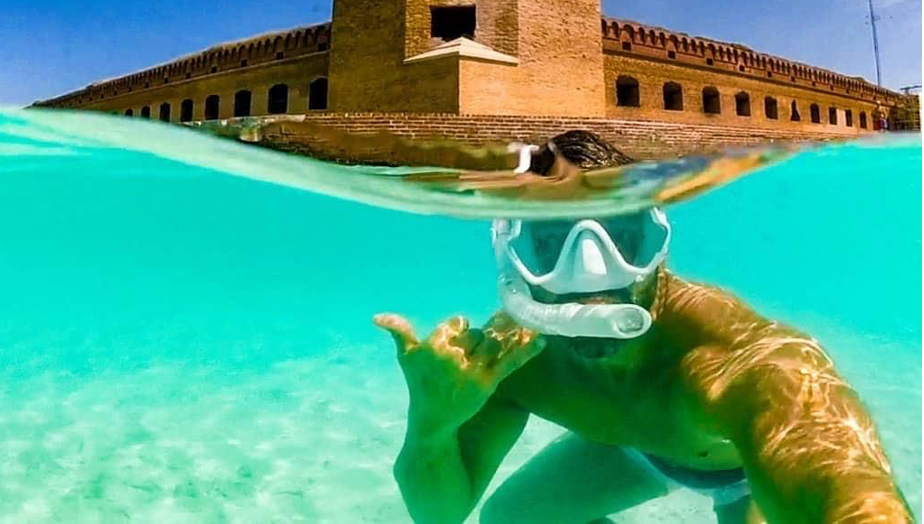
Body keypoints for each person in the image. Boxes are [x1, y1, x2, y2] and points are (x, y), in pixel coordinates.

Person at [375, 130, 912, 523]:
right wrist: (432, 425)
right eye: (548, 244)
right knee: (509, 521)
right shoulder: (506, 362)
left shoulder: (737, 362)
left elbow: (845, 495)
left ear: (659, 248)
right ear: (509, 255)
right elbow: (439, 515)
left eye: (622, 241)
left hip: (743, 472)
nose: (590, 274)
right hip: (637, 449)